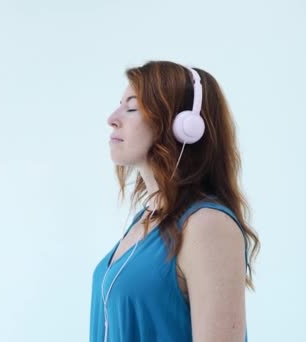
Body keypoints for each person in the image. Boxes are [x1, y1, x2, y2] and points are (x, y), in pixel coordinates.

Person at [90, 61, 260, 342]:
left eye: (131, 108)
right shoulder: (146, 219)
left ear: (184, 126)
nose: (112, 118)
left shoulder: (208, 226)